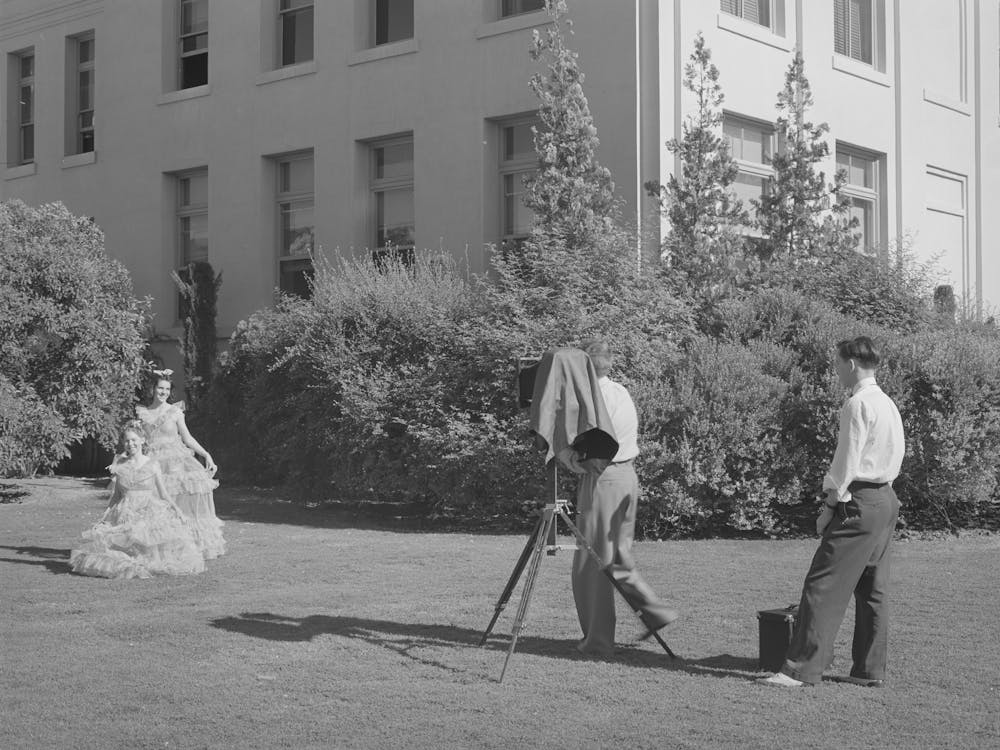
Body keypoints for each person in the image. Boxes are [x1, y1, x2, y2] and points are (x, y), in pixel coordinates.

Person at [762, 336, 904, 688]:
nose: (836, 370)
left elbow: (846, 462)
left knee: (822, 584)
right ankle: (869, 671)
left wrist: (829, 506)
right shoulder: (887, 403)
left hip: (859, 502)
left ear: (851, 364)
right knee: (874, 590)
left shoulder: (857, 404)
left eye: (838, 363)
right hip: (885, 500)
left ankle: (799, 671)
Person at [560, 339, 677, 657]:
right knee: (617, 557)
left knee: (591, 563)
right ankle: (654, 611)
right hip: (626, 477)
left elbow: (589, 450)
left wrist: (563, 454)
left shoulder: (593, 400)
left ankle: (598, 640)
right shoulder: (619, 391)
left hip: (604, 479)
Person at [70, 421, 206, 579]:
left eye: (134, 440)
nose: (130, 444)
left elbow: (163, 494)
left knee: (148, 540)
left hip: (148, 510)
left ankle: (145, 561)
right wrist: (104, 518)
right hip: (125, 511)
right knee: (113, 542)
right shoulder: (119, 465)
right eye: (127, 441)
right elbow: (116, 496)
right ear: (123, 443)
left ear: (142, 440)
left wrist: (178, 511)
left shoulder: (153, 464)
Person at [136, 370, 225, 560]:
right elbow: (137, 441)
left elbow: (187, 438)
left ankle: (183, 546)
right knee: (153, 505)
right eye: (160, 388)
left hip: (175, 464)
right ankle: (157, 547)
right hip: (152, 464)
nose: (163, 392)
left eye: (167, 389)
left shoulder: (175, 412)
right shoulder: (142, 413)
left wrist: (206, 454)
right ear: (153, 389)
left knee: (177, 504)